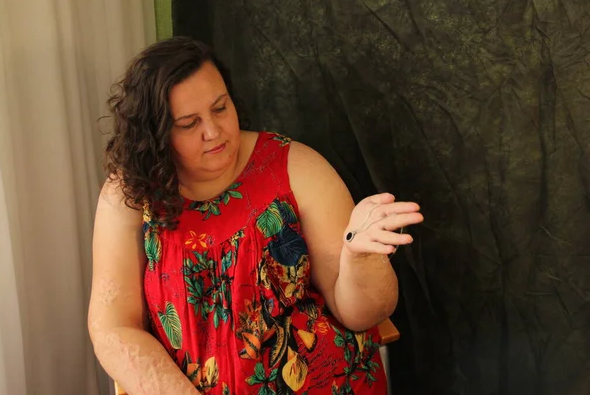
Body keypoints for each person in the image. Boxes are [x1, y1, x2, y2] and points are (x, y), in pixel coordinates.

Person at [88, 36, 423, 395]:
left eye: (220, 108)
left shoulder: (296, 168)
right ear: (156, 135)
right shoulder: (131, 194)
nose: (213, 131)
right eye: (189, 123)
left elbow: (362, 314)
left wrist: (360, 258)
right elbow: (113, 328)